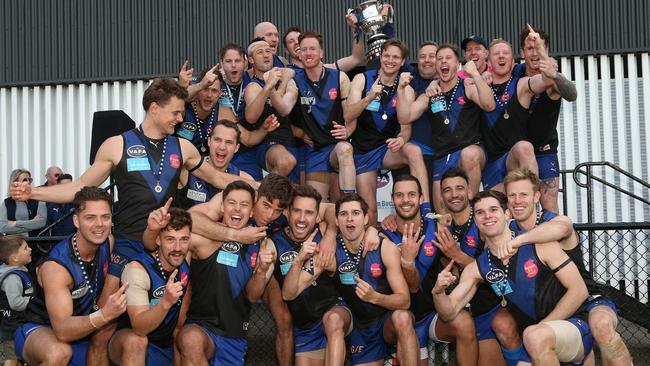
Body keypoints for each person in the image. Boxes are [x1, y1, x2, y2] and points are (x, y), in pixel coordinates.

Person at [10, 78, 249, 365]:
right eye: (175, 111)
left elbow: (219, 178)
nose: (180, 117)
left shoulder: (184, 148)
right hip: (128, 245)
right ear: (153, 108)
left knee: (176, 327)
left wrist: (261, 186)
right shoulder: (117, 144)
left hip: (167, 247)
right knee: (104, 326)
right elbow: (81, 188)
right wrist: (34, 192)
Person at [433, 190, 592, 365]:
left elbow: (579, 290)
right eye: (480, 212)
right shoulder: (478, 268)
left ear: (507, 214)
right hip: (534, 342)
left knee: (535, 337)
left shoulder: (538, 244)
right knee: (532, 340)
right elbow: (449, 312)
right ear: (476, 221)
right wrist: (438, 293)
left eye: (493, 209)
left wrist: (542, 327)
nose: (487, 216)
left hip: (573, 327)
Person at [497, 169, 633, 365]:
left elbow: (563, 227)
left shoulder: (552, 221)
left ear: (536, 196)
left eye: (524, 194)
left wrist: (518, 241)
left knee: (602, 326)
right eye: (512, 195)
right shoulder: (507, 229)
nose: (518, 201)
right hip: (552, 311)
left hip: (586, 301)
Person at [13, 187, 128, 366]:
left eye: (105, 217)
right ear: (76, 220)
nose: (99, 224)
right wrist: (104, 314)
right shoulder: (56, 267)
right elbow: (62, 331)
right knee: (59, 353)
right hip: (41, 327)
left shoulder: (107, 242)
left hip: (82, 326)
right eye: (90, 217)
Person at [380, 174, 478, 365]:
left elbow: (456, 265)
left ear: (421, 198)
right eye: (399, 195)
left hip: (431, 316)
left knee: (464, 323)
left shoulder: (437, 228)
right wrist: (407, 261)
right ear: (392, 200)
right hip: (399, 320)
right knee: (402, 319)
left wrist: (453, 278)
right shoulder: (383, 235)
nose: (406, 200)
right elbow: (413, 288)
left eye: (411, 194)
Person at [175, 181, 275, 365]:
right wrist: (234, 235)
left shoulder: (263, 245)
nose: (237, 209)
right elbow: (188, 220)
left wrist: (261, 271)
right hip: (202, 326)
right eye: (231, 203)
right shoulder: (207, 238)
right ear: (222, 207)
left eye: (244, 205)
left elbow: (253, 296)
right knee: (190, 339)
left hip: (234, 336)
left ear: (252, 211)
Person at [397, 44, 495, 213]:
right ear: (436, 65)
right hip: (442, 156)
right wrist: (400, 89)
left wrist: (475, 75)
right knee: (442, 214)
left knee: (469, 155)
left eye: (448, 58)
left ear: (457, 63)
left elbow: (489, 104)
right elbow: (405, 117)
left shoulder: (467, 85)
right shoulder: (430, 93)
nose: (443, 61)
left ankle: (473, 209)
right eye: (439, 58)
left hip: (469, 150)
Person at [345, 39, 430, 225]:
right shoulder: (362, 79)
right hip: (364, 151)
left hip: (387, 150)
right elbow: (348, 114)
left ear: (402, 61)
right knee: (370, 212)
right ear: (380, 57)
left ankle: (426, 210)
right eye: (387, 56)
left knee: (413, 151)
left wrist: (401, 140)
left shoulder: (406, 88)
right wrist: (369, 97)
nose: (390, 60)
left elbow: (406, 128)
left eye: (395, 57)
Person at [331, 193, 418, 365]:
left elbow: (405, 300)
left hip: (387, 321)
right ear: (336, 221)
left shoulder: (385, 248)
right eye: (343, 214)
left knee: (403, 318)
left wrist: (374, 297)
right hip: (360, 327)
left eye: (355, 213)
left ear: (365, 219)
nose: (349, 219)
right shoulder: (330, 250)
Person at [270, 31, 357, 201]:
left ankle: (350, 201)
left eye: (312, 49)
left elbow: (350, 114)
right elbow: (284, 109)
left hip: (335, 147)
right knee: (315, 205)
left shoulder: (339, 77)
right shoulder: (296, 80)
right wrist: (270, 88)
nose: (308, 53)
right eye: (304, 49)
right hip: (314, 151)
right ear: (299, 54)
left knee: (345, 149)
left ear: (321, 52)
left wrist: (348, 131)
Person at [273, 185, 350, 366]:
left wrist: (330, 234)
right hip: (306, 327)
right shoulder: (273, 243)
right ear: (287, 212)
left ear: (317, 217)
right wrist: (300, 261)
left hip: (335, 310)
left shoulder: (323, 232)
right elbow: (288, 294)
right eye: (297, 211)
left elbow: (334, 209)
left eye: (308, 213)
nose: (301, 218)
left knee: (333, 321)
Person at [109, 207, 191, 366]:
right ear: (158, 240)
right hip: (129, 342)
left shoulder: (184, 259)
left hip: (165, 345)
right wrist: (166, 301)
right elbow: (139, 328)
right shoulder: (137, 270)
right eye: (170, 239)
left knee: (188, 335)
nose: (177, 247)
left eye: (184, 239)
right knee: (136, 341)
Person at [479, 28, 556, 191]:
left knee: (524, 148)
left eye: (505, 53)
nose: (501, 56)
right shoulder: (480, 83)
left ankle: (532, 210)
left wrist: (542, 52)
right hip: (494, 160)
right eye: (496, 53)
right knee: (495, 209)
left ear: (513, 59)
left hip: (529, 152)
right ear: (489, 60)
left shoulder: (522, 82)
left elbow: (549, 78)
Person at [516, 26, 577, 212]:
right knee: (517, 203)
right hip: (516, 150)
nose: (534, 53)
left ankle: (553, 239)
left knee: (549, 204)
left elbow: (571, 94)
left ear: (546, 50)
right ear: (522, 52)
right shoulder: (514, 73)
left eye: (539, 47)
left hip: (544, 149)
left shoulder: (553, 77)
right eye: (529, 48)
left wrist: (555, 75)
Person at [241, 38, 300, 182]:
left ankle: (265, 191)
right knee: (286, 161)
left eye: (268, 51)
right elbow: (251, 118)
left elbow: (285, 108)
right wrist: (268, 86)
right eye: (260, 52)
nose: (266, 55)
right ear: (251, 59)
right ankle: (262, 192)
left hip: (292, 143)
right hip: (269, 144)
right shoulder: (253, 86)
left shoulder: (287, 80)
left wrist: (281, 82)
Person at [175, 120, 260, 208]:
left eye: (229, 142)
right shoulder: (187, 167)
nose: (222, 147)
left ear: (236, 148)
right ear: (209, 141)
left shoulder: (245, 179)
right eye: (217, 140)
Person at [0, 235, 33, 366]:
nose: (30, 249)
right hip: (12, 327)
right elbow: (16, 303)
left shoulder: (19, 270)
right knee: (11, 358)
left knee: (18, 358)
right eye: (25, 248)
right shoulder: (12, 277)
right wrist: (35, 301)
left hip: (19, 324)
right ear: (14, 258)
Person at [1, 169, 47, 237]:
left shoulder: (39, 199)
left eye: (29, 180)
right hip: (14, 245)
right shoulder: (6, 203)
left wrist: (15, 223)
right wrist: (32, 224)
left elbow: (41, 223)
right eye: (25, 180)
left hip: (35, 244)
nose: (28, 182)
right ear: (15, 182)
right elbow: (2, 227)